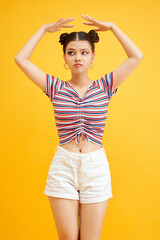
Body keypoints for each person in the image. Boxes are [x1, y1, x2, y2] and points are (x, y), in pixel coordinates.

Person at [14, 14, 144, 240]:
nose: (78, 58)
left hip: (96, 169)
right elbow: (21, 59)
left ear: (93, 57)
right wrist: (44, 28)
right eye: (71, 52)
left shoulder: (106, 85)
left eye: (84, 52)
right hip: (63, 166)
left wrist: (113, 27)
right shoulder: (54, 86)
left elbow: (136, 56)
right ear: (64, 57)